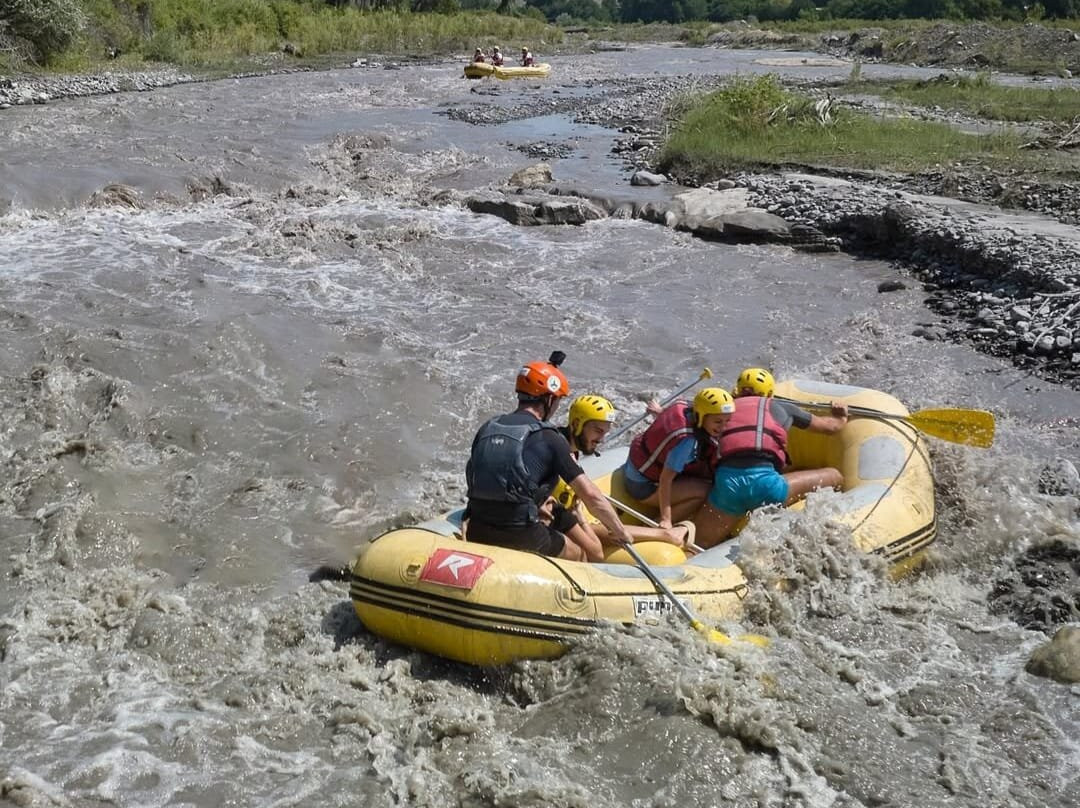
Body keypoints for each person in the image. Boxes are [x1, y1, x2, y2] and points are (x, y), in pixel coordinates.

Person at [464, 354, 634, 561]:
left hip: (477, 530)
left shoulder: (488, 428)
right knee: (581, 554)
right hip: (521, 535)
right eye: (558, 400)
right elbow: (591, 496)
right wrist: (620, 531)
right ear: (550, 399)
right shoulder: (549, 437)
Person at [693, 368, 849, 547]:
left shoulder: (720, 411)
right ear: (769, 393)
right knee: (835, 475)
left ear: (737, 390)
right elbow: (831, 427)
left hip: (728, 487)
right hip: (768, 487)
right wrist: (841, 416)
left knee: (697, 546)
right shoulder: (782, 407)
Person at [549, 395, 694, 555]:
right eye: (598, 431)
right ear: (576, 424)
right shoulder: (560, 452)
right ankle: (665, 535)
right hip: (551, 519)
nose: (601, 440)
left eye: (605, 433)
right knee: (597, 553)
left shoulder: (566, 447)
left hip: (565, 514)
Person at [619, 387, 736, 530]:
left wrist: (660, 412)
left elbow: (670, 421)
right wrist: (665, 519)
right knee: (705, 491)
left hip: (635, 464)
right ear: (701, 416)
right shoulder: (686, 443)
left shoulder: (682, 407)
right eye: (718, 422)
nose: (723, 427)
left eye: (727, 421)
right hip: (642, 486)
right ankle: (652, 528)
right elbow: (665, 479)